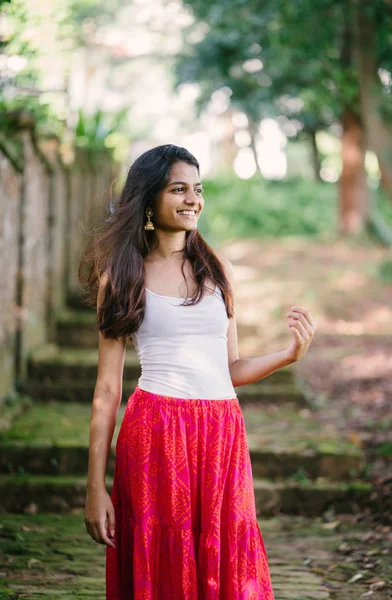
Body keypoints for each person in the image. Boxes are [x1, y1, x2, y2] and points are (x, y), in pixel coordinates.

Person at [80, 144, 316, 599]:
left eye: (198, 189)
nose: (193, 200)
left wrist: (288, 355)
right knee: (166, 563)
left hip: (221, 434)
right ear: (150, 199)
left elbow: (230, 368)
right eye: (179, 189)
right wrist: (95, 486)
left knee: (225, 564)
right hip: (156, 433)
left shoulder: (217, 270)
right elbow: (106, 390)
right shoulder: (124, 274)